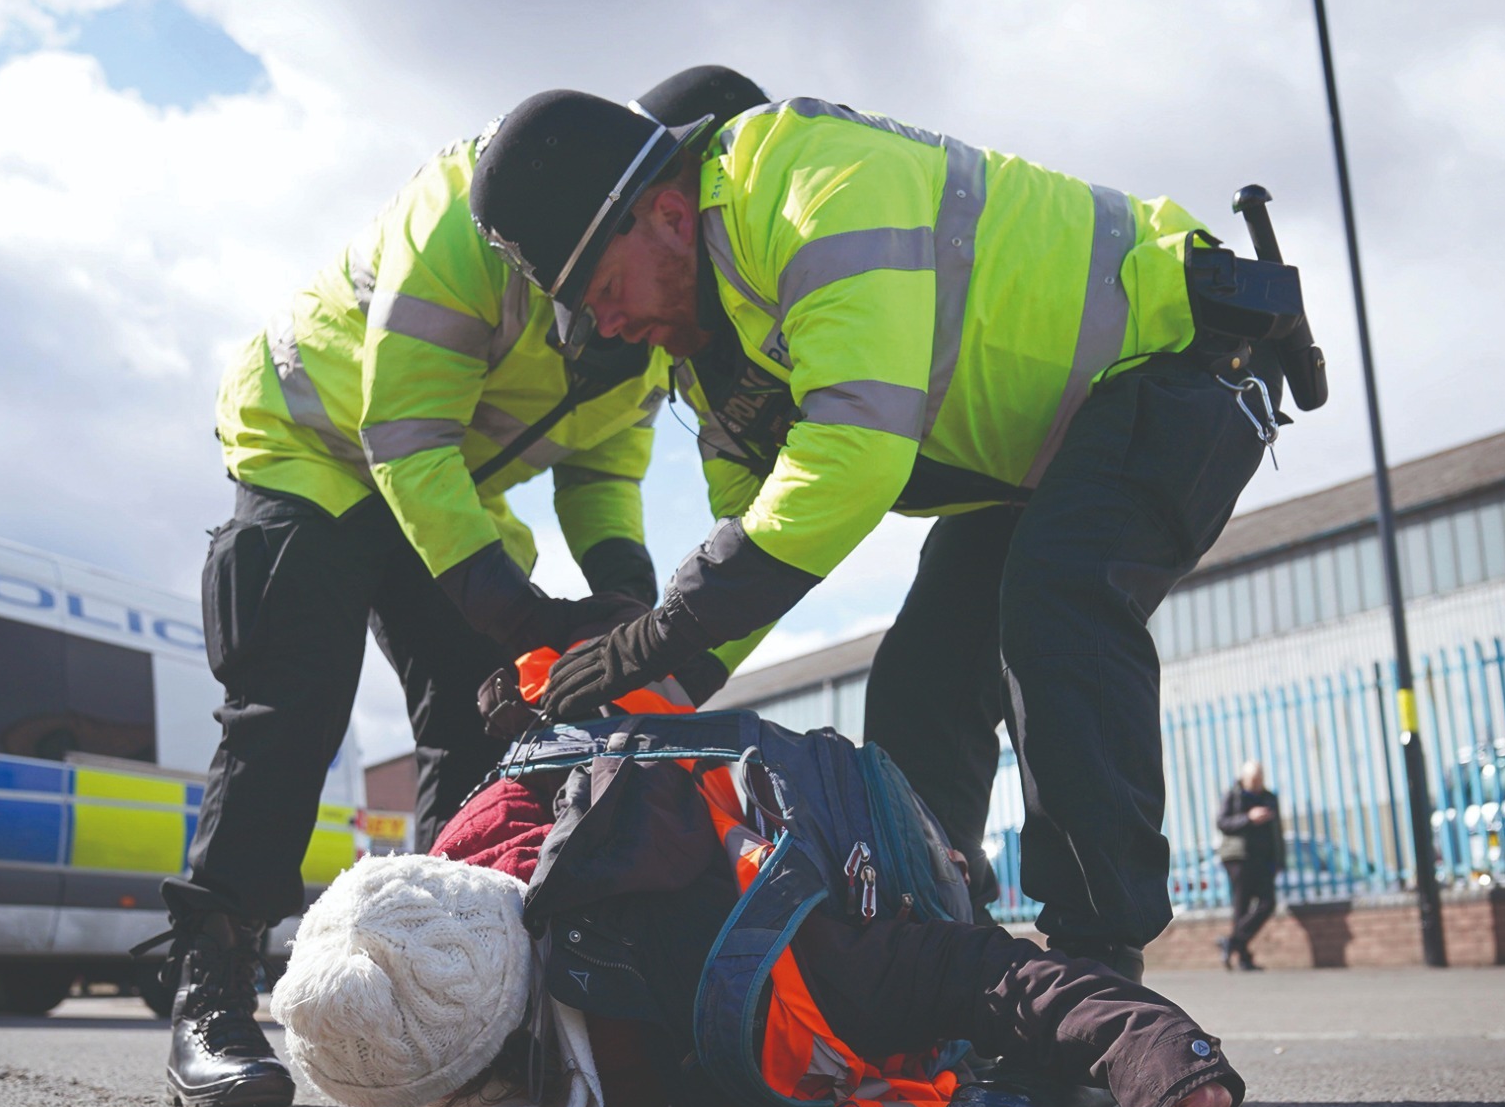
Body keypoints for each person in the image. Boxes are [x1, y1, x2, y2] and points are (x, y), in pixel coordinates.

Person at [468, 90, 1313, 984]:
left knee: (1058, 603)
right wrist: (611, 693)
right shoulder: (717, 363)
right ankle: (940, 958)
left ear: (670, 215)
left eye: (601, 291)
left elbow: (855, 450)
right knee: (924, 675)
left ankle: (1096, 971)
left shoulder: (806, 180)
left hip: (1184, 356)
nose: (605, 327)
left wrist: (656, 632)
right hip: (1049, 449)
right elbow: (756, 548)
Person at [154, 67, 772, 1107]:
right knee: (291, 701)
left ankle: (451, 988)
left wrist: (623, 596)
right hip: (320, 445)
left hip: (446, 486)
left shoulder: (648, 292)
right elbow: (404, 429)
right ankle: (209, 985)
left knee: (480, 717)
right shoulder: (471, 217)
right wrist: (517, 608)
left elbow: (604, 467)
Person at [272, 775, 1243, 1107]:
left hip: (864, 860)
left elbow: (984, 971)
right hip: (766, 831)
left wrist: (1161, 1054)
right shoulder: (465, 858)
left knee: (946, 902)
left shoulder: (767, 957)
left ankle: (961, 858)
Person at [1215, 759, 1283, 971]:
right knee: (1241, 906)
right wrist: (1248, 818)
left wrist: (1279, 859)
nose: (1256, 783)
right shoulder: (1234, 794)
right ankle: (1243, 958)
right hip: (1238, 858)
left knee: (1267, 902)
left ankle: (1232, 942)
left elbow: (1277, 832)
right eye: (1253, 779)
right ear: (1244, 778)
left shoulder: (1269, 798)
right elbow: (1222, 823)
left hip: (1262, 859)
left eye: (1260, 779)